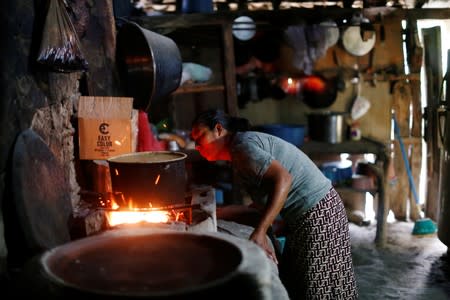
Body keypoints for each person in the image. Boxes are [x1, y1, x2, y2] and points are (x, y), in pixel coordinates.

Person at [191, 109, 358, 300]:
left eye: (200, 136)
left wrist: (260, 232)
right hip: (315, 213)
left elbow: (284, 179)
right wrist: (214, 214)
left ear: (218, 130)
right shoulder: (240, 150)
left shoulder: (242, 147)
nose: (196, 146)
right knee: (299, 281)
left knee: (318, 289)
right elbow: (258, 207)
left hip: (319, 215)